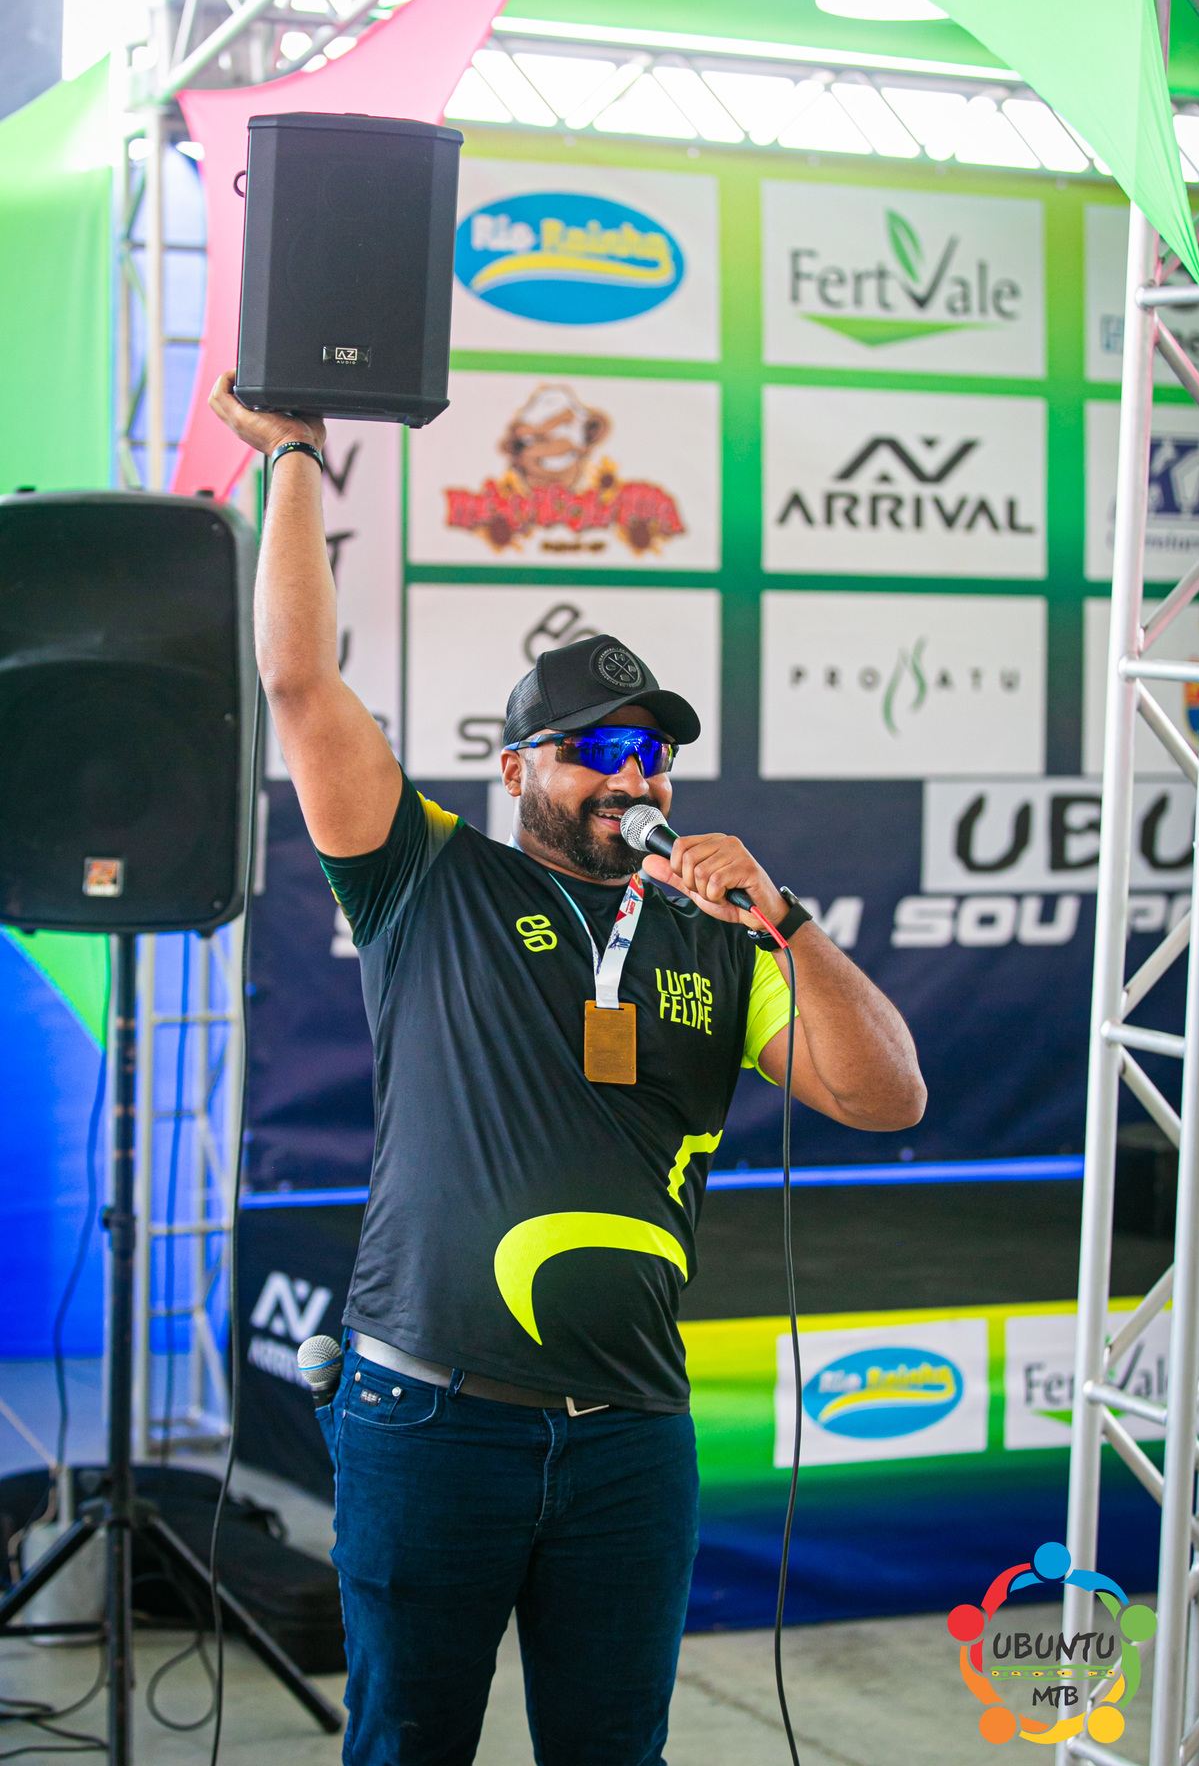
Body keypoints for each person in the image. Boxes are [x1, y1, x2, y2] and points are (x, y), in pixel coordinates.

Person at [209, 373, 927, 1766]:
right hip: (426, 1417)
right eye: (598, 750)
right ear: (518, 768)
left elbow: (886, 1095)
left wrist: (788, 922)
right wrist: (296, 458)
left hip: (632, 1436)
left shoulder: (724, 941)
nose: (632, 776)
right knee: (407, 1744)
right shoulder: (428, 879)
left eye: (652, 753)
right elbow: (298, 685)